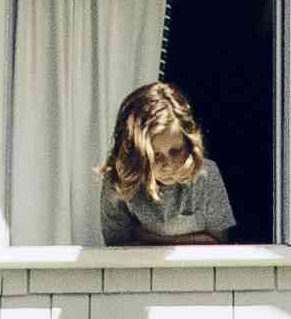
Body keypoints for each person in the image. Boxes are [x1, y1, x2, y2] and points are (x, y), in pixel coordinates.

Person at [100, 79, 238, 245]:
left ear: (188, 142)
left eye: (176, 151)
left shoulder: (206, 174)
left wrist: (141, 234)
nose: (168, 164)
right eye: (155, 155)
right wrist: (195, 239)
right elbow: (117, 246)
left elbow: (218, 244)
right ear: (134, 153)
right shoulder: (117, 179)